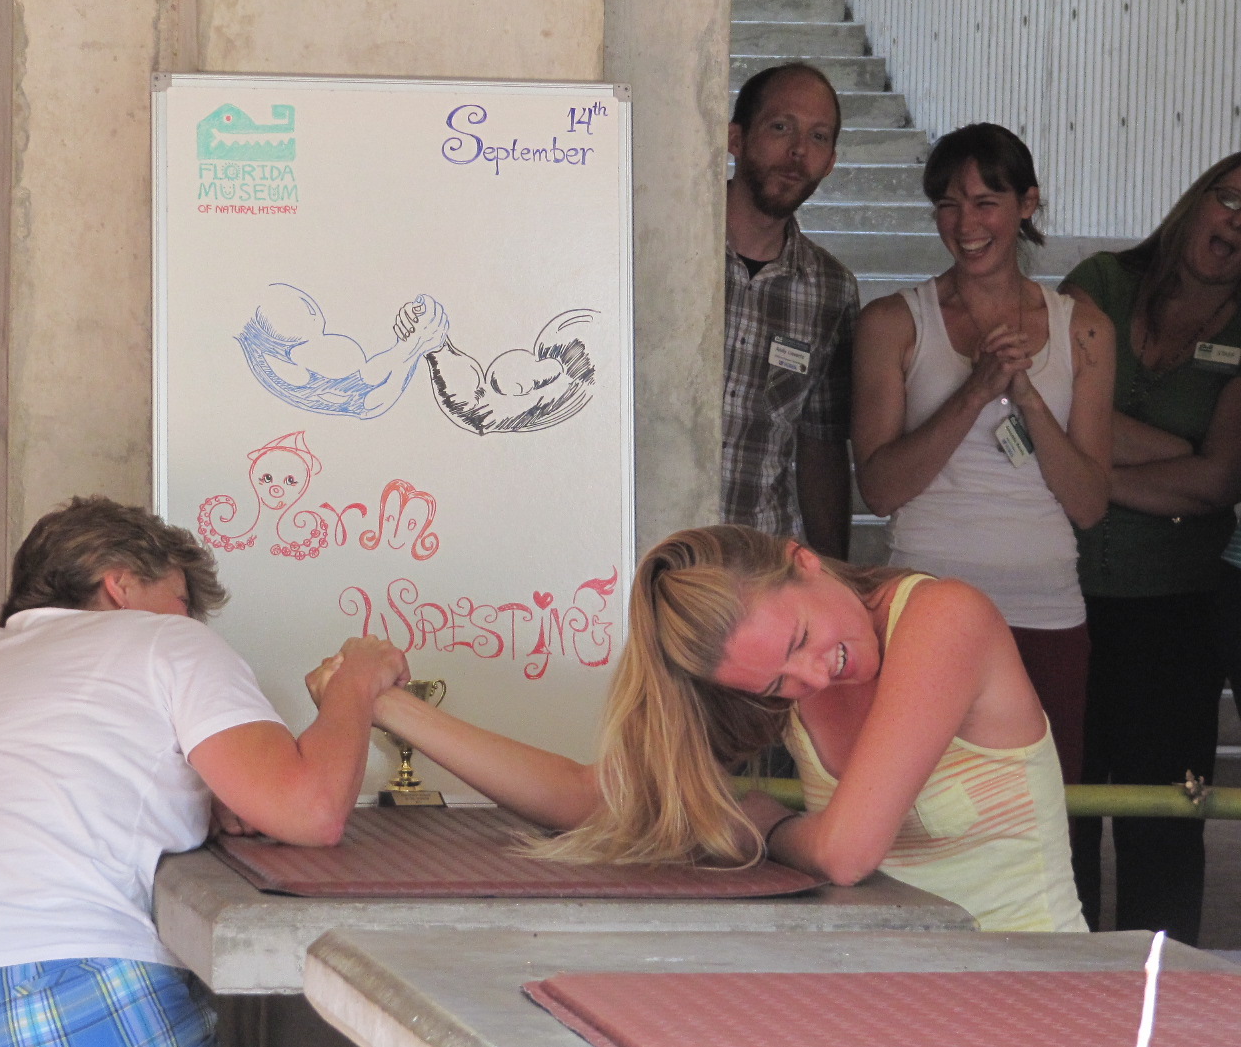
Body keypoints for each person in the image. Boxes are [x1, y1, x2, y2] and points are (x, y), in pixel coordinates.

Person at [0, 497, 408, 1047]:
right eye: (179, 598)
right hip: (73, 1032)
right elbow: (312, 812)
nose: (189, 618)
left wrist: (213, 794)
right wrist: (355, 684)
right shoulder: (168, 641)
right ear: (119, 585)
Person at [324, 525, 1086, 934]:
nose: (811, 680)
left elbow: (848, 853)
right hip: (882, 981)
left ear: (805, 563)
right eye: (777, 684)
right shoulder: (778, 680)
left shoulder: (944, 617)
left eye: (798, 643)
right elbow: (596, 797)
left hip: (1029, 978)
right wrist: (388, 706)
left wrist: (768, 821)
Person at [851, 124, 1114, 789]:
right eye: (946, 203)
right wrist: (973, 392)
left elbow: (1088, 504)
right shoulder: (894, 322)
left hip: (1046, 604)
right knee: (920, 816)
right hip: (926, 598)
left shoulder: (1082, 328)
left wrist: (1025, 395)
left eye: (983, 201)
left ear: (1027, 204)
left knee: (1044, 818)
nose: (964, 223)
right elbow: (879, 490)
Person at [1059, 152, 1241, 944]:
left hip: (1175, 610)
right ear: (1194, 200)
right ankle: (1044, 1016)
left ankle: (1160, 1022)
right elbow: (1051, 398)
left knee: (1164, 825)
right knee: (1055, 816)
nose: (1237, 224)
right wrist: (1170, 453)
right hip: (1060, 596)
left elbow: (1215, 486)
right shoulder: (1101, 278)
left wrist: (1084, 466)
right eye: (1229, 200)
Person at [721, 62, 857, 560]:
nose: (798, 152)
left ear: (831, 162)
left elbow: (821, 447)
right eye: (781, 128)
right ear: (736, 138)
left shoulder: (831, 290)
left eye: (818, 137)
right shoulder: (664, 248)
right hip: (642, 550)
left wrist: (834, 572)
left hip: (756, 567)